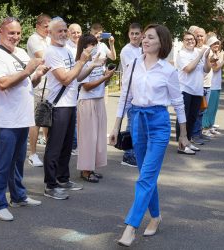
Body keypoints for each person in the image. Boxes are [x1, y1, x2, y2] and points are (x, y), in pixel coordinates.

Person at [109, 24, 190, 247]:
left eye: (150, 37)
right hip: (137, 123)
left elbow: (178, 103)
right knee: (147, 174)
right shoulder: (133, 64)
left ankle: (131, 227)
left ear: (161, 43)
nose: (144, 40)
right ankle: (155, 216)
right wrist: (116, 127)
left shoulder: (168, 70)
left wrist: (183, 135)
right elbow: (125, 97)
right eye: (144, 37)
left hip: (158, 124)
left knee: (145, 177)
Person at [0, 17, 50, 221]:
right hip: (5, 120)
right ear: (0, 32)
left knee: (18, 162)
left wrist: (37, 74)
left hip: (22, 118)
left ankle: (18, 196)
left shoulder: (20, 53)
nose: (16, 37)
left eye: (19, 33)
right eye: (11, 33)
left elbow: (27, 82)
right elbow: (2, 83)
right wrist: (29, 70)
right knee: (2, 164)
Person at [43, 18, 92, 200]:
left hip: (70, 103)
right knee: (54, 146)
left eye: (65, 30)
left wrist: (91, 65)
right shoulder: (51, 52)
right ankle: (50, 185)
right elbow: (64, 78)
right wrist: (81, 61)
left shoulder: (67, 50)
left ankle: (63, 178)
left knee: (66, 146)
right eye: (60, 31)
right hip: (59, 106)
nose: (63, 34)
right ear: (50, 33)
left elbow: (76, 77)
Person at [76, 34, 115, 183]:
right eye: (91, 44)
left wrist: (107, 76)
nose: (94, 47)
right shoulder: (83, 63)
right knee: (88, 138)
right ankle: (85, 170)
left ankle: (91, 168)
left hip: (98, 101)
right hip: (87, 102)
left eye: (95, 44)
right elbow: (86, 86)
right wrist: (104, 78)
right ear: (84, 47)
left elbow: (101, 84)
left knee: (97, 137)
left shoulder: (98, 62)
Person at [175, 31, 210, 154]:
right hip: (185, 90)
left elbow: (206, 69)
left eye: (192, 39)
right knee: (183, 118)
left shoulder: (197, 53)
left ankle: (188, 141)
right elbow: (188, 69)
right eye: (187, 39)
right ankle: (181, 145)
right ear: (183, 42)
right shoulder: (181, 54)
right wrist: (201, 55)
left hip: (197, 90)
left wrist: (206, 58)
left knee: (192, 118)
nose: (190, 41)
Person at [26, 13, 51, 167]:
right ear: (38, 26)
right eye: (45, 26)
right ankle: (32, 154)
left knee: (47, 121)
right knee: (36, 120)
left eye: (50, 26)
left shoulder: (49, 39)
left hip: (49, 85)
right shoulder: (33, 39)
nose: (48, 29)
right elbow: (44, 58)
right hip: (38, 84)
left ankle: (49, 150)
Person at [119, 23, 143, 168]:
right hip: (130, 92)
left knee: (137, 125)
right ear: (129, 34)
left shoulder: (141, 49)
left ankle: (134, 153)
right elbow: (135, 69)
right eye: (132, 33)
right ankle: (128, 155)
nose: (134, 36)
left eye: (137, 33)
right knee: (131, 124)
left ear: (141, 35)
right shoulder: (126, 50)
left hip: (140, 92)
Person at [202, 36, 224, 136]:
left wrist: (222, 59)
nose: (216, 45)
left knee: (214, 108)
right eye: (214, 43)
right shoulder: (210, 54)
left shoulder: (216, 54)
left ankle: (210, 126)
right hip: (211, 85)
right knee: (208, 108)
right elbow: (215, 69)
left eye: (217, 43)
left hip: (217, 85)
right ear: (210, 44)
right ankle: (205, 128)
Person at [66, 23, 82, 156]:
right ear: (68, 33)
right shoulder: (66, 48)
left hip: (84, 84)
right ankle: (73, 144)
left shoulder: (84, 46)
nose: (76, 35)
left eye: (78, 32)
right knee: (74, 117)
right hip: (72, 86)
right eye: (73, 32)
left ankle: (75, 143)